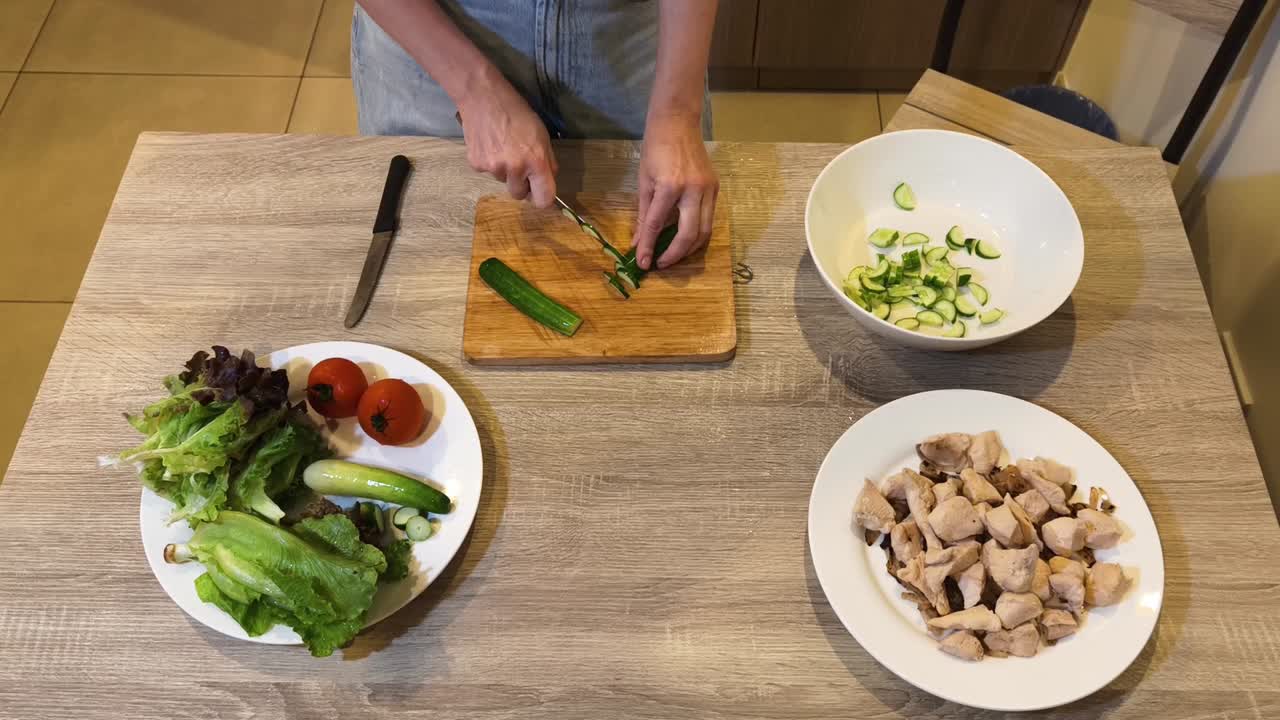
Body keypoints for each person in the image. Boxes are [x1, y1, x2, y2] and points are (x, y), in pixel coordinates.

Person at [353, 0, 720, 271]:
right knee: (420, 271)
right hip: (430, 32)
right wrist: (473, 89)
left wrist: (677, 112)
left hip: (631, 34)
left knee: (674, 211)